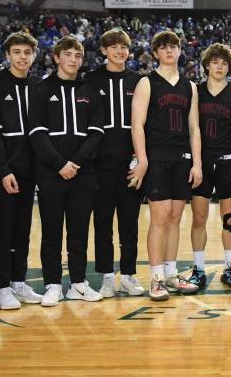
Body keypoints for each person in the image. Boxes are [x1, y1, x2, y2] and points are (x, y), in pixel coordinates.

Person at [28, 36, 106, 306]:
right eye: (68, 54)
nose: (73, 59)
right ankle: (52, 284)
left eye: (78, 55)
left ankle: (78, 283)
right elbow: (36, 132)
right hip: (51, 173)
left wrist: (77, 162)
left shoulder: (89, 90)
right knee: (51, 231)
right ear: (56, 57)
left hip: (83, 173)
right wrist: (59, 163)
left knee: (79, 231)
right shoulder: (41, 89)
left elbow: (97, 132)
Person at [128, 30, 203, 301]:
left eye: (174, 47)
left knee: (175, 217)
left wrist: (197, 162)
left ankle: (171, 273)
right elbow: (137, 124)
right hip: (157, 157)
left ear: (180, 51)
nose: (170, 51)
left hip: (182, 158)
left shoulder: (189, 86)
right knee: (159, 219)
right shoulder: (147, 83)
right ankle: (156, 278)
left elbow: (194, 127)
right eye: (164, 47)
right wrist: (142, 158)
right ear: (156, 52)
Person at [0, 31, 43, 310]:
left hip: (31, 169)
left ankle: (19, 281)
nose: (22, 57)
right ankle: (1, 287)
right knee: (3, 232)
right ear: (7, 55)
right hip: (5, 171)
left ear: (34, 56)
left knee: (23, 230)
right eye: (17, 52)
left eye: (27, 53)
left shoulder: (38, 86)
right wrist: (3, 169)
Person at [85, 29, 146, 298]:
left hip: (130, 162)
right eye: (113, 46)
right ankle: (107, 277)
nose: (119, 51)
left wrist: (140, 158)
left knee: (129, 222)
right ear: (104, 50)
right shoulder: (90, 79)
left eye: (123, 47)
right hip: (100, 162)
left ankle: (129, 275)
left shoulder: (139, 81)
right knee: (103, 223)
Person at [190, 43, 231, 289]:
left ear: (229, 68)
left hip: (229, 163)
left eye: (224, 63)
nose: (219, 66)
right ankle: (198, 269)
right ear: (207, 65)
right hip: (202, 162)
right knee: (199, 218)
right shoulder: (194, 92)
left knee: (229, 219)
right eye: (215, 62)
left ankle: (229, 268)